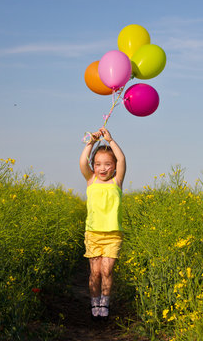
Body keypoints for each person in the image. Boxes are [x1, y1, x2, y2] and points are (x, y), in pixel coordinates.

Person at [79, 127, 126, 321]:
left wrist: (110, 140)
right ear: (93, 166)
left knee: (107, 271)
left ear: (114, 166)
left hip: (113, 234)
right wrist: (91, 142)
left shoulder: (117, 181)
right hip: (93, 234)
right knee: (95, 273)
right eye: (98, 164)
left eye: (108, 164)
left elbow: (122, 159)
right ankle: (94, 301)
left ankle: (105, 301)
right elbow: (83, 161)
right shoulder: (91, 180)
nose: (103, 168)